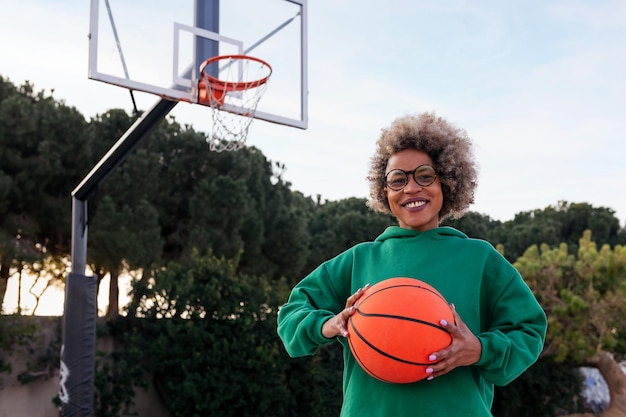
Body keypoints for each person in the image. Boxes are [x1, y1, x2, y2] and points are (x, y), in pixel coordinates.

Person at [277, 112, 547, 416]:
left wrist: (480, 349)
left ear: (446, 181)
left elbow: (529, 329)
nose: (411, 188)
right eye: (397, 180)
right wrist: (328, 324)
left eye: (425, 176)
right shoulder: (358, 259)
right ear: (385, 191)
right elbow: (291, 315)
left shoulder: (480, 259)